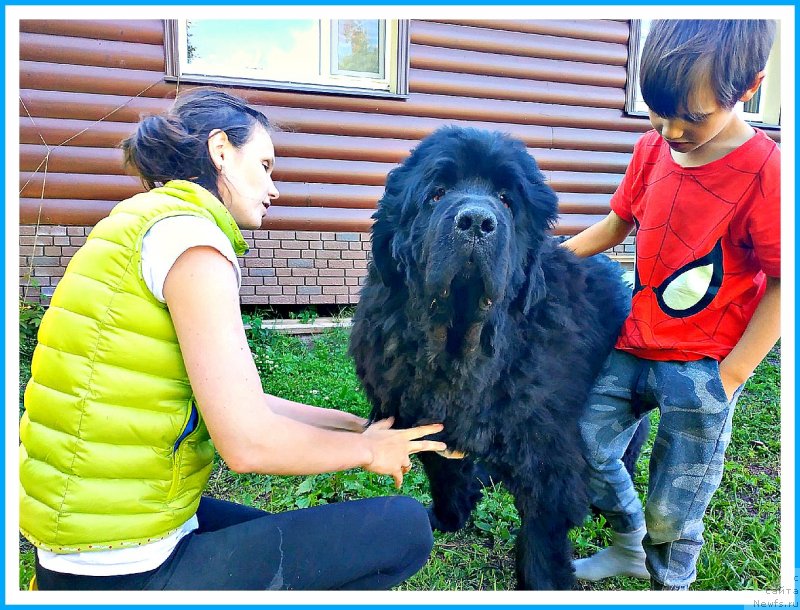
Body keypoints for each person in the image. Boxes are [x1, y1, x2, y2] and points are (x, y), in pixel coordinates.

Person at [20, 88, 450, 590]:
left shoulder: (141, 224)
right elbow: (247, 443)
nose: (274, 187)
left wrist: (356, 427)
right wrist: (371, 453)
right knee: (405, 527)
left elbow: (237, 401)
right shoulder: (192, 241)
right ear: (221, 151)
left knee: (276, 533)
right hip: (125, 566)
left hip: (96, 535)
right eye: (265, 165)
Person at [563, 20, 780, 590]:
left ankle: (670, 586)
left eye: (692, 116)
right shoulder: (651, 148)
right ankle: (627, 544)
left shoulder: (767, 172)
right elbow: (616, 225)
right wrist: (551, 260)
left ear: (749, 88)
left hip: (704, 365)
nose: (672, 129)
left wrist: (732, 375)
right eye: (657, 112)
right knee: (580, 444)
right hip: (634, 342)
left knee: (677, 496)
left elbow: (787, 282)